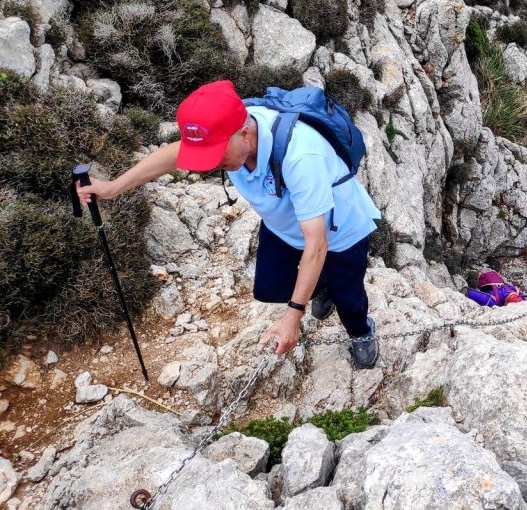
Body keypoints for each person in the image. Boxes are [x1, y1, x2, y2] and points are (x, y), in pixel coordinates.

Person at [75, 80, 382, 368]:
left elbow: (317, 245)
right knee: (271, 287)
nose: (211, 165)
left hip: (338, 231)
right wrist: (113, 188)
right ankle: (320, 284)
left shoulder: (300, 155)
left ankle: (361, 331)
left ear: (245, 133)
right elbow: (172, 155)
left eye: (217, 157)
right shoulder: (226, 136)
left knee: (348, 296)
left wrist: (293, 316)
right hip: (285, 226)